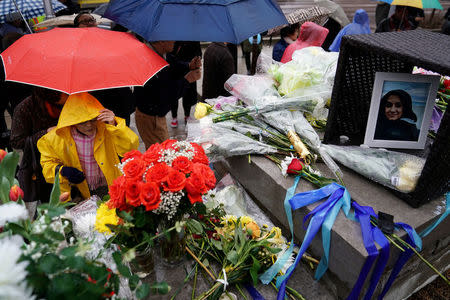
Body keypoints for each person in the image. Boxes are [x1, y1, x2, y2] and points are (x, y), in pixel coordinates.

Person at [37, 93, 139, 202]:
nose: (89, 125)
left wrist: (114, 125)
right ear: (72, 121)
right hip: (77, 192)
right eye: (83, 122)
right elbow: (47, 165)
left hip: (109, 186)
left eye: (93, 119)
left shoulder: (108, 129)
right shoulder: (55, 138)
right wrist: (63, 171)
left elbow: (130, 147)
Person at [11, 88, 68, 217]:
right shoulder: (25, 109)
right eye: (58, 105)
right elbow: (16, 142)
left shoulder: (72, 101)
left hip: (67, 162)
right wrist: (45, 133)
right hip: (39, 169)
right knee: (50, 209)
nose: (63, 106)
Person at [134, 40, 201, 149]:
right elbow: (166, 95)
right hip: (151, 117)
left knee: (162, 151)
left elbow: (173, 64)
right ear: (161, 41)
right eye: (170, 38)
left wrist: (189, 65)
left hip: (156, 115)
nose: (174, 41)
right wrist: (187, 80)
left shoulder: (161, 53)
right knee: (161, 155)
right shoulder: (149, 61)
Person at [169, 41, 202, 128]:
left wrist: (197, 59)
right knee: (174, 93)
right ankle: (174, 116)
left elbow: (199, 51)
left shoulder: (193, 37)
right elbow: (170, 54)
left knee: (188, 93)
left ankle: (187, 115)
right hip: (176, 69)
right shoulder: (173, 38)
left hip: (190, 68)